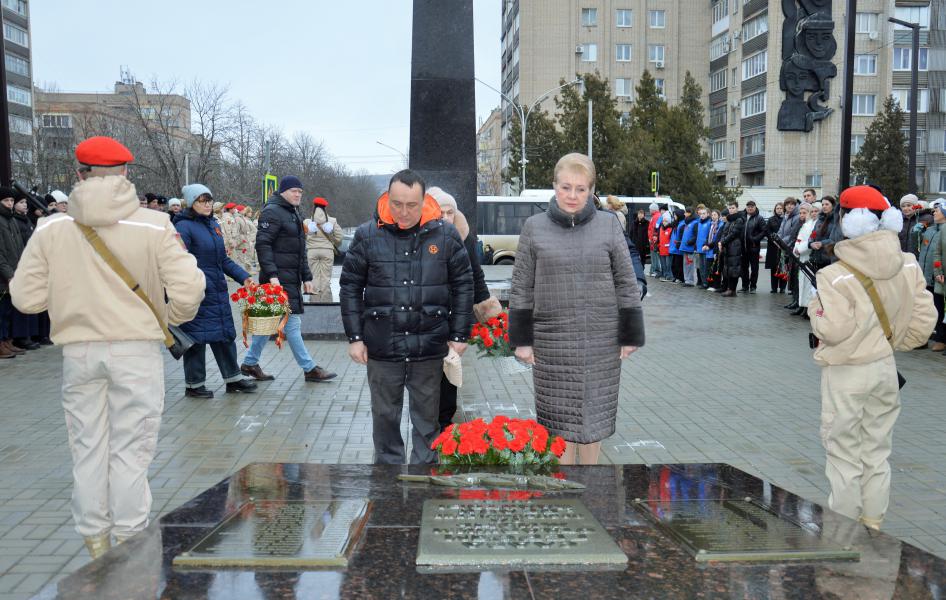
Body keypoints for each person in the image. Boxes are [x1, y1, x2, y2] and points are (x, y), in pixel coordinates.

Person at [9, 136, 205, 558]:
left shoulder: (52, 227)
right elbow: (189, 288)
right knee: (131, 452)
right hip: (136, 351)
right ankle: (130, 546)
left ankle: (96, 545)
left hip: (78, 353)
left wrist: (65, 299)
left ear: (78, 175)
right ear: (125, 174)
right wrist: (170, 319)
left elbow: (25, 298)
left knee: (87, 448)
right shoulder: (154, 225)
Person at [808, 185, 936, 530]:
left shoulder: (834, 275)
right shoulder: (908, 264)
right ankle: (874, 526)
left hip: (846, 372)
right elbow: (924, 322)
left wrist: (814, 308)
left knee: (843, 455)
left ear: (848, 220)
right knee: (877, 453)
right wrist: (893, 344)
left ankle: (842, 533)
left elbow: (832, 329)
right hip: (885, 368)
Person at [509, 153, 644, 465]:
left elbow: (626, 281)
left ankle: (593, 488)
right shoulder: (534, 227)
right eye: (566, 187)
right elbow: (522, 286)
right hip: (552, 344)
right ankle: (567, 495)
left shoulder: (609, 226)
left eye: (581, 189)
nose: (572, 196)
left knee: (594, 422)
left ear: (591, 190)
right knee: (559, 425)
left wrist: (631, 334)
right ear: (554, 186)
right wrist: (522, 340)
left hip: (601, 342)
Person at [339, 170, 473, 464]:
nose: (403, 212)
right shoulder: (367, 235)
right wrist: (355, 337)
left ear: (424, 200)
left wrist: (460, 334)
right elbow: (350, 287)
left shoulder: (446, 234)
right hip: (382, 346)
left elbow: (464, 284)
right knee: (385, 420)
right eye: (397, 203)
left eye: (411, 205)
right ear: (387, 197)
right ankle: (387, 489)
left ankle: (423, 487)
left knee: (428, 423)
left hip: (429, 346)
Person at [240, 176, 336, 383]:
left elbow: (300, 249)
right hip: (276, 280)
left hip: (289, 278)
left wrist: (307, 277)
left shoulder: (293, 212)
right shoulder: (272, 212)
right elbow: (263, 245)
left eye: (300, 192)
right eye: (294, 191)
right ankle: (309, 368)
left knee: (268, 323)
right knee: (292, 324)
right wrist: (272, 275)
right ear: (283, 191)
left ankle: (250, 363)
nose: (298, 195)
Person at [175, 184, 258, 399]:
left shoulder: (213, 225)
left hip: (217, 290)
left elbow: (222, 259)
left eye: (209, 200)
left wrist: (244, 277)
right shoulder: (183, 227)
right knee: (196, 338)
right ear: (192, 203)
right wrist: (192, 284)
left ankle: (233, 379)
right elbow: (178, 260)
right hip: (197, 290)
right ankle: (194, 385)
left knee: (224, 335)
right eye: (202, 201)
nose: (208, 204)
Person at [428, 186, 500, 432]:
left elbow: (475, 276)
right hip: (425, 318)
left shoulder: (463, 238)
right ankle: (429, 421)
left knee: (450, 369)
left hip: (454, 316)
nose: (446, 217)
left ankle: (445, 422)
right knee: (428, 374)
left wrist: (491, 313)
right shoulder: (419, 238)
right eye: (441, 212)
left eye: (450, 212)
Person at [0, 187, 25, 358]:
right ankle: (1, 343)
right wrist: (9, 273)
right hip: (4, 275)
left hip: (15, 271)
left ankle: (7, 341)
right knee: (2, 311)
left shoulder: (12, 220)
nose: (9, 204)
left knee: (8, 311)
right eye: (6, 201)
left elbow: (19, 247)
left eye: (11, 201)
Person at [304, 197, 343, 302]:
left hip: (312, 252)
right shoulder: (332, 221)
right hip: (327, 252)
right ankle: (326, 303)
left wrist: (309, 239)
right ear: (325, 208)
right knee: (325, 278)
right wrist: (333, 243)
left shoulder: (307, 222)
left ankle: (315, 302)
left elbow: (300, 236)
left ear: (314, 207)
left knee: (314, 277)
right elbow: (339, 237)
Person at [792, 202, 819, 316]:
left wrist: (801, 248)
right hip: (802, 255)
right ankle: (803, 305)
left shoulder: (816, 225)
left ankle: (808, 307)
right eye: (812, 211)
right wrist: (796, 249)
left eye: (815, 211)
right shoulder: (807, 224)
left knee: (809, 283)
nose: (813, 214)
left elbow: (810, 241)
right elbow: (800, 238)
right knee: (802, 282)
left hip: (809, 255)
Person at [779, 197, 802, 309]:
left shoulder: (797, 217)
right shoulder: (786, 216)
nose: (789, 206)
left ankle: (797, 300)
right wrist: (778, 239)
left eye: (792, 204)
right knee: (791, 275)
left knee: (794, 275)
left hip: (792, 247)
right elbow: (781, 230)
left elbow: (792, 234)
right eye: (787, 204)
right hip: (786, 247)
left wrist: (783, 242)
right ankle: (794, 300)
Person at [740, 200, 767, 293]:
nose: (750, 208)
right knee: (744, 268)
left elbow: (764, 231)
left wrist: (755, 239)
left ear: (755, 207)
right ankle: (744, 286)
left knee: (754, 268)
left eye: (752, 206)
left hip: (754, 247)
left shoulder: (759, 218)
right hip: (743, 247)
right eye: (748, 206)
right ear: (746, 207)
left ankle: (753, 287)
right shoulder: (742, 217)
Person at [718, 207, 745, 297]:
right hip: (727, 247)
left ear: (737, 209)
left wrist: (723, 241)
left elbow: (734, 234)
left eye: (733, 208)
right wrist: (721, 242)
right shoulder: (729, 220)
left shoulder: (739, 220)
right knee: (728, 269)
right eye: (729, 208)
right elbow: (724, 233)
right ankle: (728, 288)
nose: (731, 210)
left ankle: (732, 289)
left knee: (734, 269)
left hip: (735, 247)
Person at [766, 202, 786, 293]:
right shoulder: (771, 220)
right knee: (774, 267)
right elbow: (768, 232)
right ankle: (774, 287)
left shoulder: (786, 219)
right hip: (773, 246)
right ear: (775, 210)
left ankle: (782, 287)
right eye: (777, 208)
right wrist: (774, 240)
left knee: (783, 266)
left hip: (784, 245)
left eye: (781, 208)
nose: (779, 210)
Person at [679, 206, 699, 287]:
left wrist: (690, 242)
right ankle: (687, 279)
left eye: (686, 212)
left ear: (690, 213)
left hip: (690, 247)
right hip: (685, 247)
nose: (684, 214)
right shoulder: (687, 222)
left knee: (689, 265)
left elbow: (695, 235)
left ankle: (690, 281)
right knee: (685, 264)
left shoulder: (695, 223)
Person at [693, 206, 712, 288]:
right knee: (700, 267)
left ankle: (706, 283)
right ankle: (703, 282)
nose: (702, 215)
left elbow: (709, 236)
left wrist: (706, 244)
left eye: (704, 214)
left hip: (706, 248)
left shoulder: (709, 223)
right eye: (701, 214)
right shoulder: (699, 223)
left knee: (705, 267)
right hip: (699, 248)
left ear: (708, 214)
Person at [657, 211, 673, 281]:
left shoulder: (670, 229)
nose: (664, 222)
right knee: (663, 264)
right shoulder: (660, 229)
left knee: (668, 265)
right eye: (663, 221)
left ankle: (669, 275)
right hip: (661, 249)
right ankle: (664, 274)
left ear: (669, 222)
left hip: (668, 250)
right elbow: (659, 239)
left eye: (666, 221)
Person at [646, 203, 661, 276]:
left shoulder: (655, 217)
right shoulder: (655, 216)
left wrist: (651, 239)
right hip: (653, 239)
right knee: (654, 255)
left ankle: (654, 271)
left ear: (653, 209)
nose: (649, 210)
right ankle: (654, 270)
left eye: (650, 209)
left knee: (654, 256)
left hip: (653, 240)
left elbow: (653, 229)